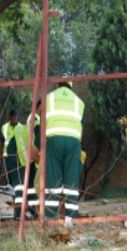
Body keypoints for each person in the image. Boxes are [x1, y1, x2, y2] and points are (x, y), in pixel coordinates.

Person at [44, 81, 85, 218]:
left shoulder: (49, 98)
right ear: (70, 86)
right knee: (71, 179)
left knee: (53, 179)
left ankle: (50, 217)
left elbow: (42, 120)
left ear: (58, 85)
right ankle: (71, 216)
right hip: (73, 141)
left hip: (54, 140)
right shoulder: (79, 101)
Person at [0, 110, 29, 218]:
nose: (13, 119)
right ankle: (10, 211)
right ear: (9, 118)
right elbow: (2, 142)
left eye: (15, 117)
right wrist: (0, 156)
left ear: (17, 117)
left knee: (18, 184)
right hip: (7, 158)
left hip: (18, 159)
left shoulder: (22, 128)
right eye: (12, 118)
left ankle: (18, 211)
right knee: (9, 184)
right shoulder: (4, 127)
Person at [16, 102, 41, 218]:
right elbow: (36, 136)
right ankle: (32, 211)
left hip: (30, 155)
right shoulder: (35, 118)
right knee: (33, 184)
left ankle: (32, 210)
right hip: (34, 155)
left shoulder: (32, 117)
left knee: (30, 184)